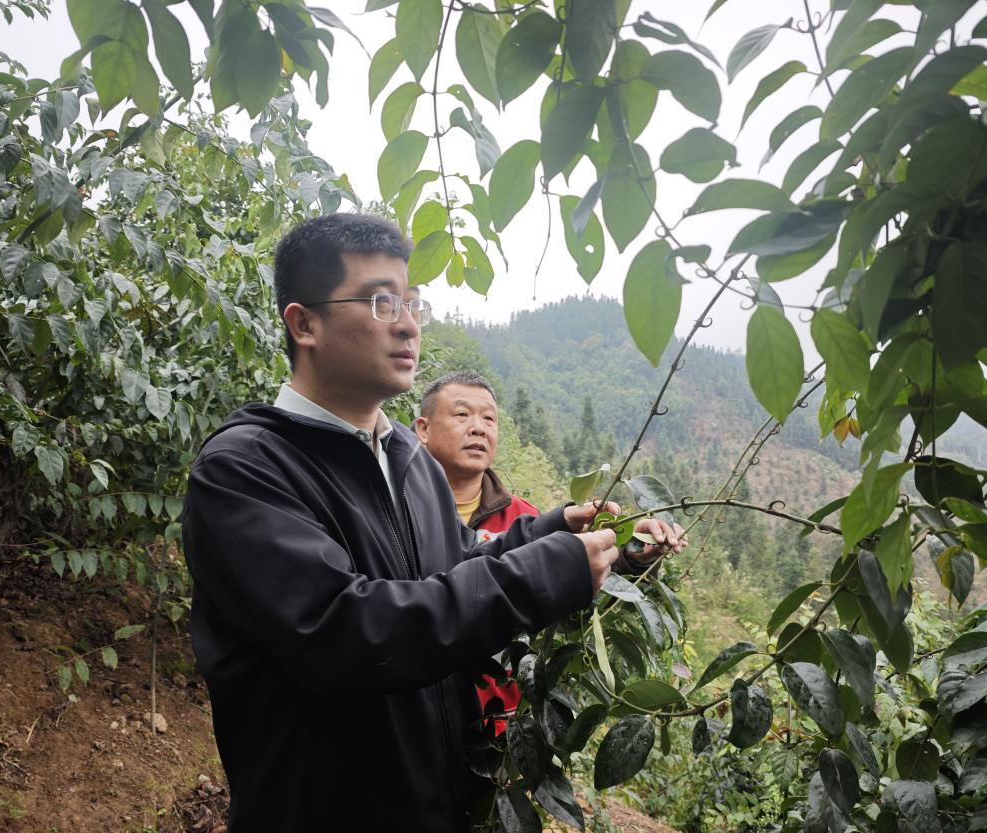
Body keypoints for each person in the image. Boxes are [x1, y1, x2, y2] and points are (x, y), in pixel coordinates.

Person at [181, 213, 679, 832]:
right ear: (304, 323)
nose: (409, 324)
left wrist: (563, 536)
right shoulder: (245, 469)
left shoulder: (408, 459)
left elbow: (453, 566)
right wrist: (541, 573)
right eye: (380, 301)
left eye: (413, 303)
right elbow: (342, 630)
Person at [414, 372, 687, 735]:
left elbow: (566, 590)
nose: (478, 428)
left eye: (489, 418)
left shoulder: (525, 518)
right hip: (418, 714)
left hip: (498, 723)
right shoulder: (401, 511)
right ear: (423, 429)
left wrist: (631, 554)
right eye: (462, 415)